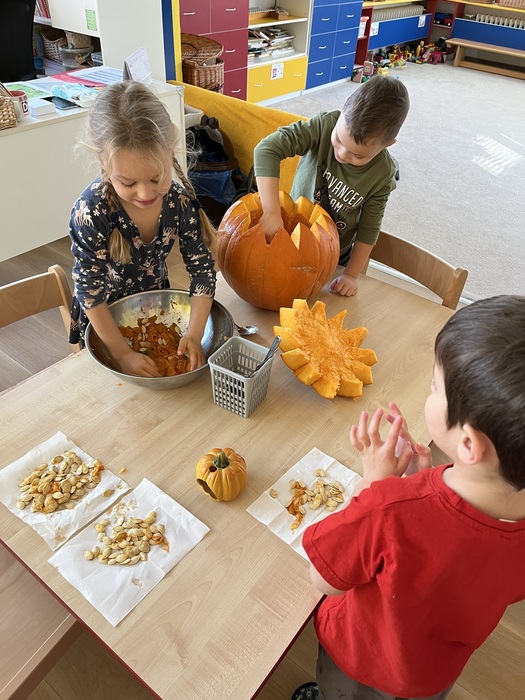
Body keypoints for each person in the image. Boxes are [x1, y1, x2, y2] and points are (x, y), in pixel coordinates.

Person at [295, 295, 525, 700]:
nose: (429, 391)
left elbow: (324, 580)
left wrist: (374, 484)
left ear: (468, 444)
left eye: (435, 387)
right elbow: (458, 551)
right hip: (431, 675)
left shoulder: (388, 509)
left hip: (360, 663)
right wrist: (426, 481)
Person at [68, 80, 217, 377]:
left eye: (156, 178)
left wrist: (194, 334)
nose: (146, 193)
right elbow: (90, 293)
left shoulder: (179, 203)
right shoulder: (92, 212)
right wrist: (121, 352)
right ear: (102, 161)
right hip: (102, 323)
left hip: (153, 303)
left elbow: (202, 272)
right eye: (128, 182)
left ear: (169, 151)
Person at [253, 75, 409, 297]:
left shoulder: (383, 175)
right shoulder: (324, 125)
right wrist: (271, 211)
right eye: (339, 140)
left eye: (358, 155)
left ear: (388, 145)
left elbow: (369, 228)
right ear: (344, 105)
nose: (343, 154)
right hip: (288, 237)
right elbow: (267, 149)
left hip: (334, 254)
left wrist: (351, 275)